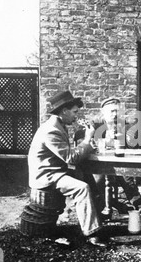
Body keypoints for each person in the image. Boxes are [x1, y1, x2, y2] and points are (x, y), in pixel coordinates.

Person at [28, 90, 107, 247]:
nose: (76, 116)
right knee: (82, 188)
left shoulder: (58, 125)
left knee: (87, 176)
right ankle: (92, 234)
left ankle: (97, 217)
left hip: (55, 170)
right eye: (74, 112)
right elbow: (70, 158)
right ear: (64, 111)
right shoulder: (51, 130)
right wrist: (87, 138)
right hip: (47, 176)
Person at [75, 97, 141, 215]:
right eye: (112, 111)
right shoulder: (95, 125)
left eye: (117, 111)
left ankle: (139, 204)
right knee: (98, 180)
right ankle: (98, 209)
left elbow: (134, 147)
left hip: (118, 163)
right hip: (98, 164)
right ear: (103, 113)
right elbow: (84, 143)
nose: (115, 114)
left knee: (125, 175)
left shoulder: (125, 125)